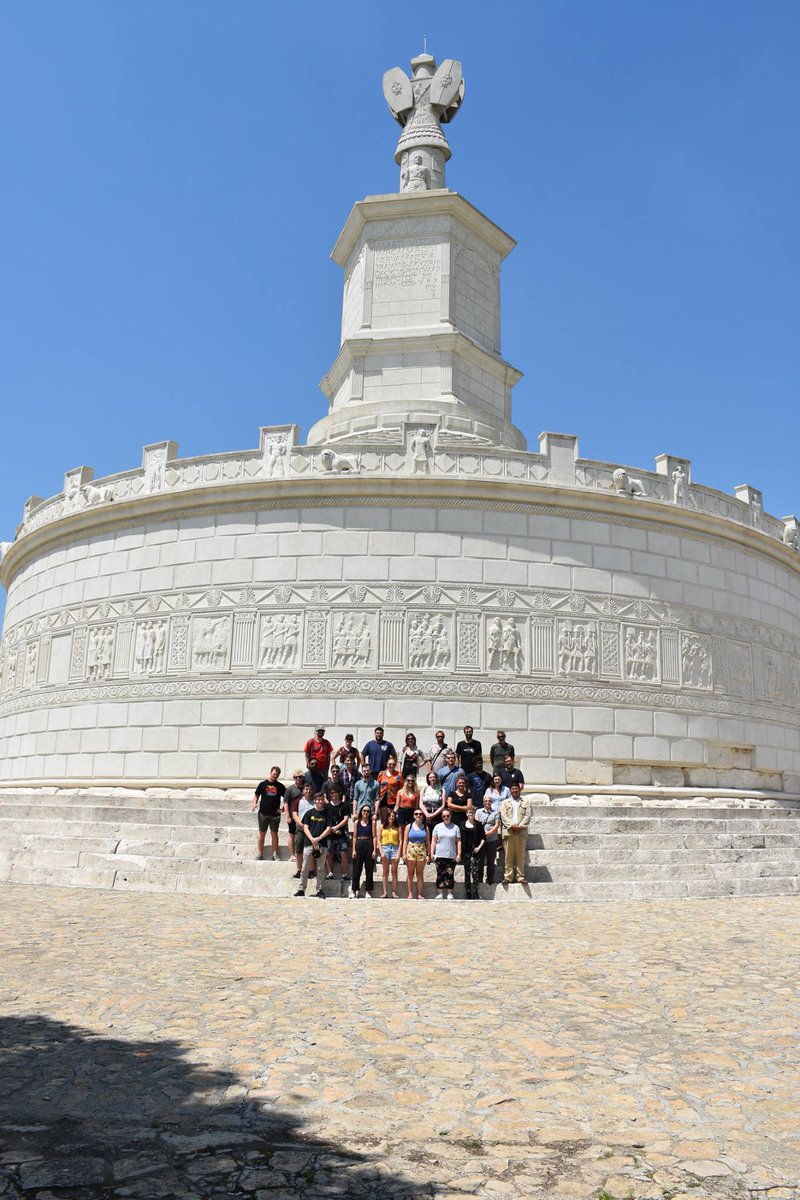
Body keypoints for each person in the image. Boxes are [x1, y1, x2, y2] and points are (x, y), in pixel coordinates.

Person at [295, 793, 332, 898]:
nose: (320, 801)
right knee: (304, 867)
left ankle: (319, 889)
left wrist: (318, 839)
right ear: (315, 800)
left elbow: (328, 828)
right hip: (309, 843)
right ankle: (301, 889)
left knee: (320, 868)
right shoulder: (309, 813)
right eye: (318, 800)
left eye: (321, 800)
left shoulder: (327, 814)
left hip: (322, 844)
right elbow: (305, 827)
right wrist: (312, 840)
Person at [500, 782, 533, 884]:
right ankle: (508, 877)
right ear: (510, 790)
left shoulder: (526, 802)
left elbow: (528, 815)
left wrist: (520, 826)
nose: (514, 790)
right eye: (512, 789)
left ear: (519, 790)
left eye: (516, 789)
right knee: (508, 856)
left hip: (521, 832)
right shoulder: (505, 803)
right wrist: (512, 825)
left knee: (520, 855)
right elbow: (503, 816)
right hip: (509, 831)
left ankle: (520, 876)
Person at [252, 765, 286, 861]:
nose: (275, 776)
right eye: (274, 774)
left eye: (277, 775)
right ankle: (259, 853)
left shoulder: (280, 786)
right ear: (270, 772)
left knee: (274, 834)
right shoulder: (262, 784)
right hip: (263, 814)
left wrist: (282, 809)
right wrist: (254, 804)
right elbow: (256, 796)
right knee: (262, 833)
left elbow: (287, 798)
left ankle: (275, 854)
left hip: (275, 815)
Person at [324, 785, 351, 889]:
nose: (333, 795)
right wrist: (331, 829)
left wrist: (337, 827)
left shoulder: (344, 806)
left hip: (341, 834)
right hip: (329, 834)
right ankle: (330, 872)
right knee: (328, 852)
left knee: (344, 853)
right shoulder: (327, 807)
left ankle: (345, 874)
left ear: (339, 793)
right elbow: (325, 819)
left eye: (335, 793)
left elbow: (346, 819)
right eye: (331, 793)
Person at [431, 808, 461, 900]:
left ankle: (449, 893)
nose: (446, 817)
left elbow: (458, 841)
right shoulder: (437, 827)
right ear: (442, 817)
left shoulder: (455, 827)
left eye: (447, 816)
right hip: (439, 854)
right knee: (440, 874)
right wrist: (432, 853)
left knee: (450, 874)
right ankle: (439, 893)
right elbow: (434, 841)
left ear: (450, 816)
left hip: (451, 854)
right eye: (444, 816)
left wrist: (459, 854)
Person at [403, 807, 430, 900]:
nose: (418, 815)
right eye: (416, 814)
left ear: (422, 816)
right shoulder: (408, 827)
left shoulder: (425, 827)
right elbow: (405, 841)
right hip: (411, 849)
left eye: (420, 814)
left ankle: (420, 894)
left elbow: (428, 842)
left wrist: (429, 854)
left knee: (420, 874)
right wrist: (404, 853)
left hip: (421, 850)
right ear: (413, 816)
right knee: (410, 873)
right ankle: (410, 893)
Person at [351, 804, 377, 898]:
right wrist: (353, 849)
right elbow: (354, 836)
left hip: (368, 843)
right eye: (364, 811)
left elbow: (374, 837)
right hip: (359, 843)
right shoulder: (357, 822)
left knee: (369, 869)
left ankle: (368, 891)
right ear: (361, 812)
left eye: (368, 811)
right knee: (356, 869)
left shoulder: (372, 823)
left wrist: (374, 850)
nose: (366, 813)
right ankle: (354, 890)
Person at [476, 792, 502, 885]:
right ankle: (479, 879)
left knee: (491, 860)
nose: (487, 802)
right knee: (480, 861)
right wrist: (482, 834)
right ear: (483, 802)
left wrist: (489, 833)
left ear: (492, 802)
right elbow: (476, 824)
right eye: (486, 801)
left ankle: (490, 879)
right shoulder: (478, 812)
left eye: (489, 801)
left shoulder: (495, 813)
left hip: (492, 840)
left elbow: (496, 825)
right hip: (481, 841)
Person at [291, 782, 316, 878]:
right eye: (306, 789)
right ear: (303, 790)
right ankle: (299, 870)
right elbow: (294, 814)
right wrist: (301, 824)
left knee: (311, 851)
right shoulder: (298, 801)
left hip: (311, 830)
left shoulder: (314, 802)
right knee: (299, 850)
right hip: (300, 829)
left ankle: (311, 871)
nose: (308, 791)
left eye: (310, 789)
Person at [461, 806, 485, 899]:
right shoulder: (462, 824)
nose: (471, 814)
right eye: (469, 812)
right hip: (466, 853)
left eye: (472, 812)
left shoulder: (478, 824)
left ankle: (475, 892)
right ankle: (468, 893)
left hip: (475, 852)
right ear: (467, 814)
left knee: (475, 874)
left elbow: (483, 837)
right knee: (467, 873)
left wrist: (479, 847)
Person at [282, 768, 306, 862]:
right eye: (296, 777)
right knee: (292, 835)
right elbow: (285, 802)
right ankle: (292, 855)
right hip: (293, 816)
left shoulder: (305, 788)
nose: (298, 779)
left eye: (300, 777)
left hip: (303, 816)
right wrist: (287, 816)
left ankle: (301, 854)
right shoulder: (290, 789)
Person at [377, 808, 401, 898]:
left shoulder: (397, 828)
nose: (391, 817)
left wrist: (399, 853)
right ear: (387, 817)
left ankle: (394, 892)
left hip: (394, 848)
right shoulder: (381, 827)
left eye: (393, 816)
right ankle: (385, 892)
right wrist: (381, 852)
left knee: (394, 872)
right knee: (385, 871)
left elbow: (401, 841)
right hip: (385, 847)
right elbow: (378, 840)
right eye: (390, 816)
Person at [304, 725, 334, 791]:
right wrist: (307, 763)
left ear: (324, 732)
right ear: (316, 732)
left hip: (323, 769)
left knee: (323, 786)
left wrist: (328, 766)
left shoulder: (327, 743)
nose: (320, 732)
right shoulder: (311, 742)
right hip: (313, 769)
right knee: (312, 785)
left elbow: (328, 755)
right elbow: (306, 753)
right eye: (319, 731)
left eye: (322, 731)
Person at [377, 756, 402, 822]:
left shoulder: (398, 775)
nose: (391, 766)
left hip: (393, 799)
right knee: (383, 820)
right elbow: (377, 786)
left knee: (391, 820)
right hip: (382, 799)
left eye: (393, 764)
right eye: (390, 764)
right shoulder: (381, 774)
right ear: (387, 764)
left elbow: (401, 788)